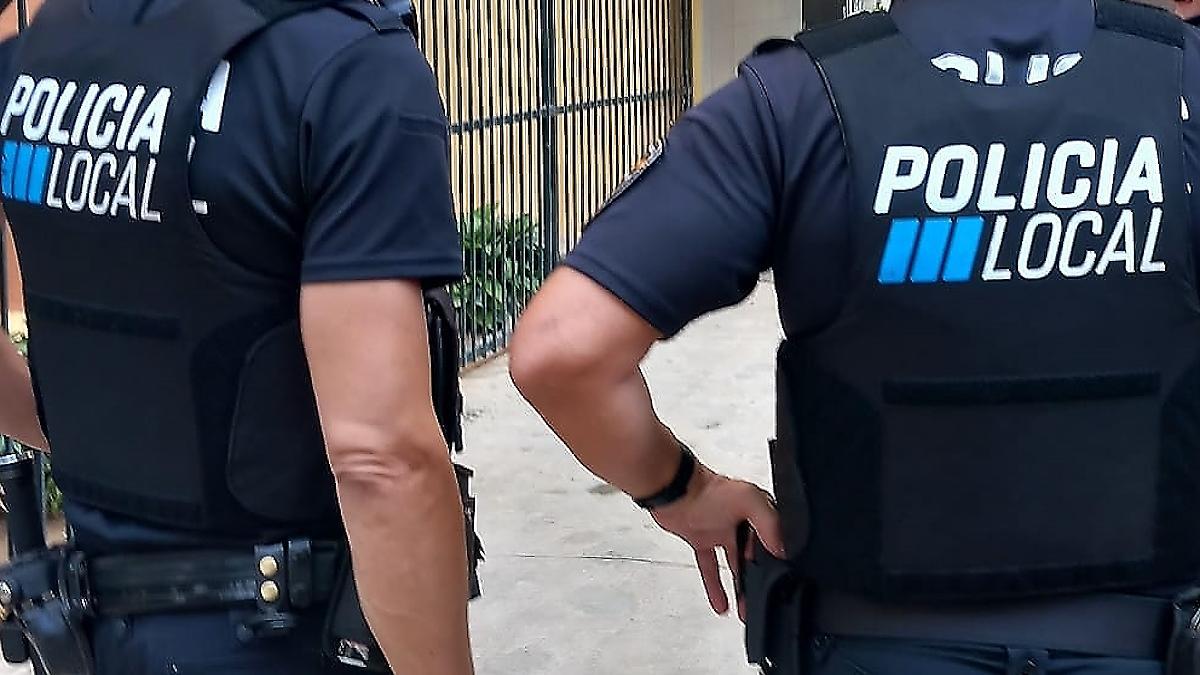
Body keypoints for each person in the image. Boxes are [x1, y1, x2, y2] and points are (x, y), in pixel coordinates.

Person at [510, 0, 1200, 673]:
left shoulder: (798, 100)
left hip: (869, 641)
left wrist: (683, 490)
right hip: (1149, 636)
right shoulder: (1182, 80)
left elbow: (564, 350)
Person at [0, 0, 476, 673]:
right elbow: (381, 459)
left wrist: (91, 430)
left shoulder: (37, 55)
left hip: (95, 629)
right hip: (284, 631)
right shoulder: (345, 64)